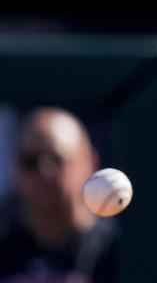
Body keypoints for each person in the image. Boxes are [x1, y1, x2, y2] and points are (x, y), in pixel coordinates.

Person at [0, 107, 117, 282]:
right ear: (16, 169)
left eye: (56, 158)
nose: (44, 171)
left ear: (91, 163)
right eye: (31, 161)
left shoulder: (118, 250)